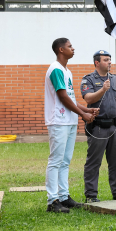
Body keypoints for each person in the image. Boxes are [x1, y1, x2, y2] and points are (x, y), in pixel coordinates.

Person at [45, 38, 98, 213]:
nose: (73, 49)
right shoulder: (56, 69)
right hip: (58, 121)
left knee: (65, 161)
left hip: (69, 120)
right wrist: (83, 114)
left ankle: (64, 196)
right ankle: (52, 200)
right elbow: (62, 97)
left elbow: (71, 99)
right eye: (69, 46)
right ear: (61, 50)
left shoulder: (67, 71)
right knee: (56, 160)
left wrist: (87, 110)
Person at [81, 49, 116, 203]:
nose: (109, 62)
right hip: (98, 127)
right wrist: (103, 89)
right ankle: (91, 195)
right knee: (94, 162)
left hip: (114, 126)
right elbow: (88, 98)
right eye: (105, 60)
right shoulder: (89, 79)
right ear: (97, 63)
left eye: (110, 59)